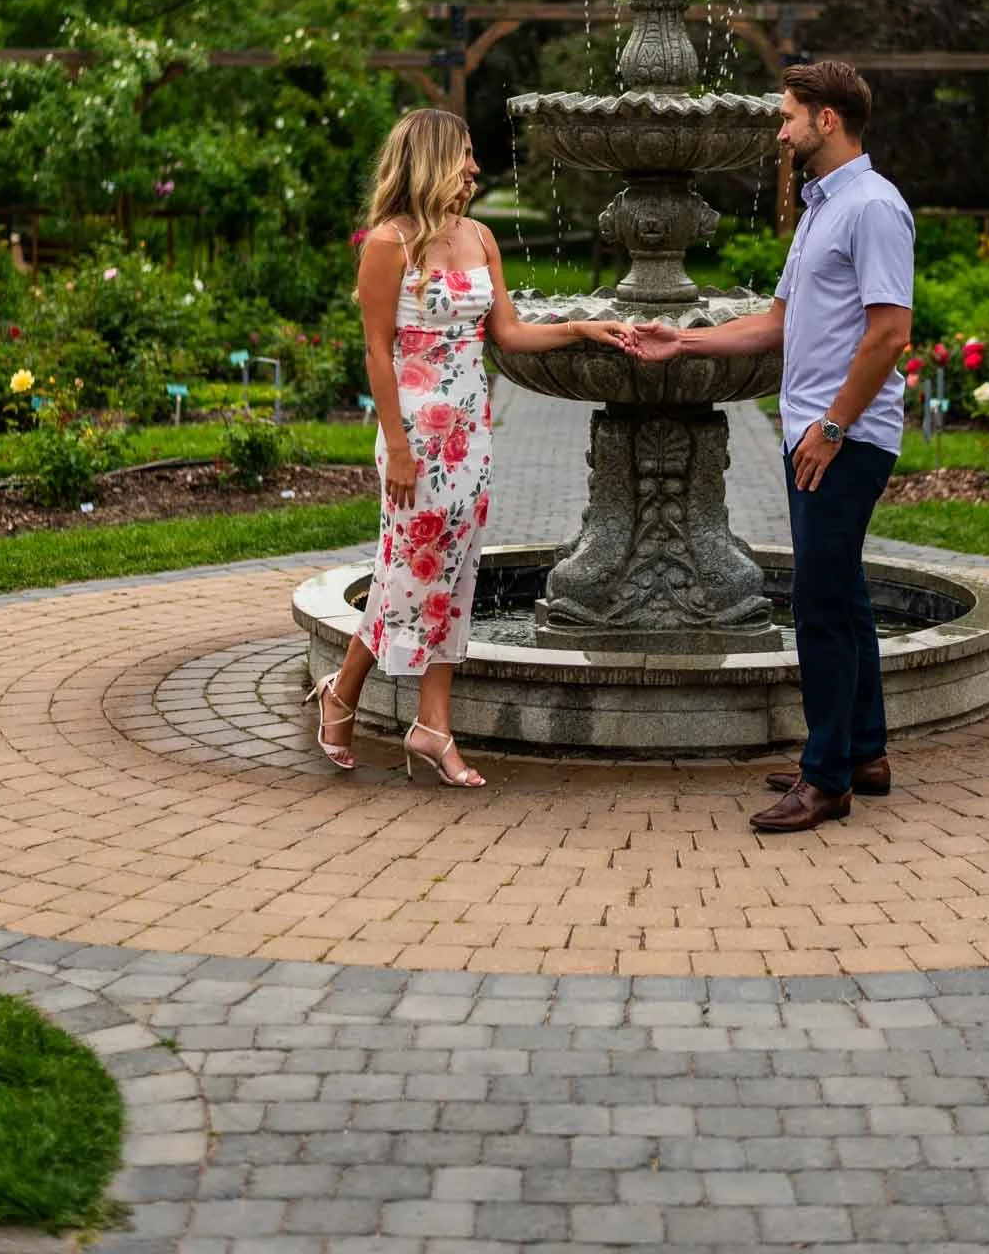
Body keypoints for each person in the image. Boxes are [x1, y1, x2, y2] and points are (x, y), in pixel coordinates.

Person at [306, 108, 633, 786]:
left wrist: (581, 328)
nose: (475, 170)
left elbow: (507, 335)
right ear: (428, 160)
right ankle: (344, 694)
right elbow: (375, 350)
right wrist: (395, 446)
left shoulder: (481, 238)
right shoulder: (388, 244)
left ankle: (430, 725)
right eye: (464, 156)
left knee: (454, 576)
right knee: (406, 574)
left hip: (469, 436)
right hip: (414, 437)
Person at [632, 61, 914, 833]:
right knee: (843, 595)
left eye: (790, 116)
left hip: (844, 437)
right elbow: (776, 324)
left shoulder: (873, 208)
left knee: (819, 604)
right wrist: (682, 343)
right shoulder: (820, 210)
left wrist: (831, 427)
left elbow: (890, 332)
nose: (781, 130)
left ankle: (824, 781)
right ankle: (863, 752)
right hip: (814, 432)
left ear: (828, 119)